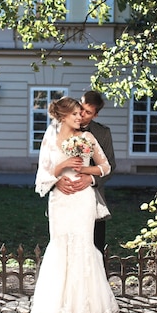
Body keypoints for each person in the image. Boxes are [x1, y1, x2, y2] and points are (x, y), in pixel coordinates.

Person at [29, 96, 119, 313]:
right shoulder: (50, 138)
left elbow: (106, 167)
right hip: (60, 200)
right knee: (59, 246)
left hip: (82, 199)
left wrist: (87, 173)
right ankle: (56, 307)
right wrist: (58, 176)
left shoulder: (87, 137)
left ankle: (87, 308)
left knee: (83, 246)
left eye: (82, 114)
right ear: (63, 116)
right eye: (76, 114)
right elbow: (43, 174)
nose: (81, 117)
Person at [54, 91, 116, 254]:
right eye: (81, 107)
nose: (81, 114)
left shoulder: (102, 133)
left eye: (88, 112)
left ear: (95, 115)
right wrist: (56, 180)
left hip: (92, 199)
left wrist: (91, 179)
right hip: (64, 197)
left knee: (94, 250)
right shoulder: (58, 129)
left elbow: (110, 166)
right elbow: (47, 164)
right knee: (64, 249)